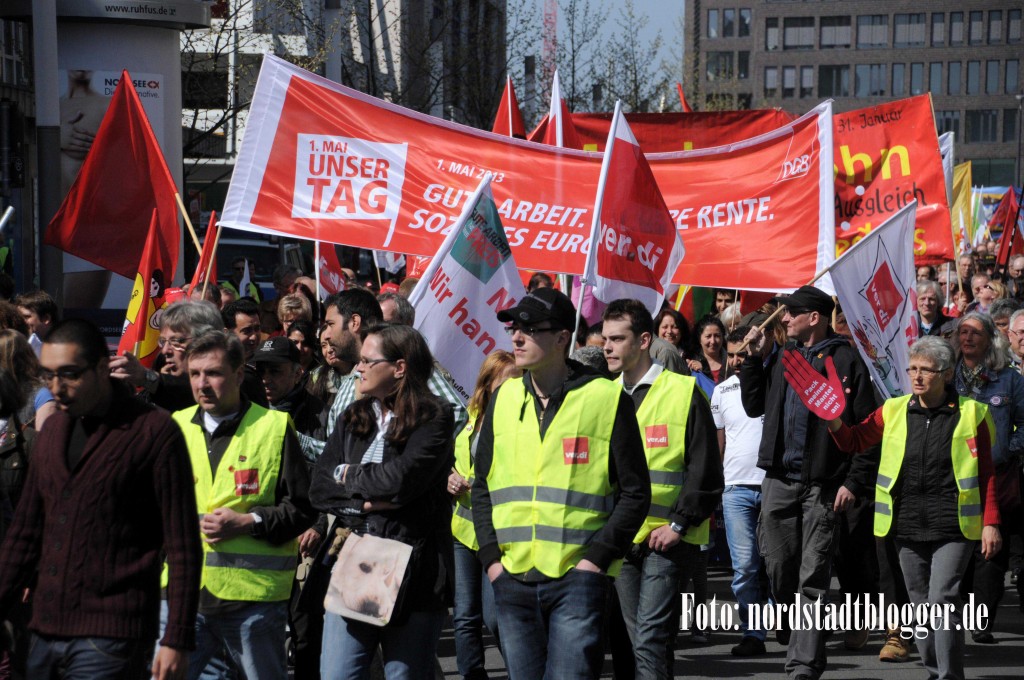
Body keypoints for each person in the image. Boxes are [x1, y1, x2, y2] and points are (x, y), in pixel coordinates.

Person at [789, 336, 1001, 680]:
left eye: (925, 370)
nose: (916, 376)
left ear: (946, 374)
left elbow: (987, 473)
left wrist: (991, 523)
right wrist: (831, 418)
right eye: (912, 368)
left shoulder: (973, 414)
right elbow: (853, 441)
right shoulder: (893, 409)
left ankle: (949, 676)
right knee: (919, 608)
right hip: (904, 525)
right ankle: (935, 671)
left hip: (954, 525)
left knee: (942, 602)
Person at [0, 318, 202, 679]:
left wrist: (177, 638)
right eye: (48, 376)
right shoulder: (51, 432)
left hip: (112, 636)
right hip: (44, 633)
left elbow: (183, 545)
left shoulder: (154, 433)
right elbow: (24, 535)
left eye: (69, 374)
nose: (57, 388)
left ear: (100, 368)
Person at [471, 287, 651, 679]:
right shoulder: (502, 399)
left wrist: (596, 560)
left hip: (577, 580)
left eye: (530, 328)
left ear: (560, 338)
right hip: (512, 579)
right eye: (514, 328)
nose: (517, 337)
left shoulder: (605, 398)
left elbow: (636, 493)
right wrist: (491, 560)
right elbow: (481, 485)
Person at [740, 285, 879, 680]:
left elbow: (866, 429)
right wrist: (752, 360)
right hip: (779, 482)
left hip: (823, 485)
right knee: (779, 568)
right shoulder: (786, 356)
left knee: (812, 576)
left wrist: (853, 481)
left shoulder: (846, 360)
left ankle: (803, 664)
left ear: (813, 317)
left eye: (790, 312)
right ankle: (790, 618)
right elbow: (754, 406)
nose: (783, 319)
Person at [310, 324, 456, 679]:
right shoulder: (352, 417)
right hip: (356, 559)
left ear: (400, 368)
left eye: (367, 361)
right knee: (338, 674)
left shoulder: (434, 416)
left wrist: (349, 475)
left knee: (404, 674)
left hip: (415, 567)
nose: (358, 368)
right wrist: (364, 505)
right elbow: (319, 487)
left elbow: (400, 480)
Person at [174, 330, 314, 679]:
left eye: (214, 373)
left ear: (238, 375)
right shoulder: (176, 427)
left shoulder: (274, 427)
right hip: (186, 597)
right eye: (195, 374)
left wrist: (248, 521)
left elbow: (301, 509)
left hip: (252, 602)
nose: (203, 384)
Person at [601, 299, 722, 678]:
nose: (607, 347)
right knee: (633, 639)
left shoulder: (683, 392)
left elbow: (704, 469)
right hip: (619, 538)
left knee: (650, 638)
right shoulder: (601, 396)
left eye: (617, 339)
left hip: (665, 538)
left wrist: (678, 525)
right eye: (605, 338)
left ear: (643, 341)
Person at [950, 312, 1024, 643]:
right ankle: (955, 609)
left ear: (989, 338)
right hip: (951, 477)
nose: (967, 338)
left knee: (990, 551)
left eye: (975, 333)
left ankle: (982, 619)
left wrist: (1006, 448)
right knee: (956, 548)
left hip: (995, 477)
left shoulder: (1009, 379)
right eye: (962, 332)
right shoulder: (947, 375)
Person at [448, 351, 519, 680]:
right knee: (464, 616)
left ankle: (525, 668)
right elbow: (451, 457)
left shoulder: (522, 419)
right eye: (504, 383)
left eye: (516, 381)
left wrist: (481, 484)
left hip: (499, 531)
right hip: (464, 528)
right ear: (487, 385)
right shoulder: (470, 414)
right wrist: (449, 475)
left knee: (495, 615)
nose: (511, 389)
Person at [710, 325, 770, 656]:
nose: (736, 360)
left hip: (774, 486)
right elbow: (719, 442)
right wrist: (716, 485)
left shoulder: (770, 382)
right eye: (731, 354)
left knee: (776, 564)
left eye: (743, 354)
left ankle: (782, 618)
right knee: (745, 566)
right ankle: (753, 633)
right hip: (735, 490)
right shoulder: (720, 392)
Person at [109, 300, 225, 412]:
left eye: (177, 341)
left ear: (208, 342)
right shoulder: (150, 393)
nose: (165, 351)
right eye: (163, 341)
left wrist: (146, 377)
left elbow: (187, 391)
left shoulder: (233, 384)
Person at [222, 299, 270, 407]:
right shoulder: (219, 368)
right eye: (247, 331)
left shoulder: (268, 362)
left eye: (257, 329)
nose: (254, 336)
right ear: (226, 333)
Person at [13, 290, 57, 357]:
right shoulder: (16, 346)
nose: (20, 321)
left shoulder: (63, 349)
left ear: (46, 318)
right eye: (19, 317)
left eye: (26, 317)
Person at [688, 316, 728, 385]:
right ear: (699, 339)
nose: (713, 341)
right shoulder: (691, 362)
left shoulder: (732, 360)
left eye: (717, 336)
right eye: (708, 336)